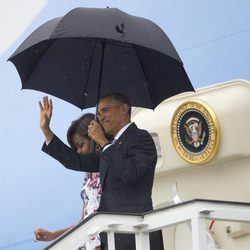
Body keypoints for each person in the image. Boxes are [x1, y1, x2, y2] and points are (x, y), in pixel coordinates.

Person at [39, 93, 164, 250]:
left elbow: (130, 173)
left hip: (137, 236)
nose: (101, 117)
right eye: (99, 113)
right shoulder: (109, 149)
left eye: (105, 110)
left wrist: (104, 143)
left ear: (124, 109)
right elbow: (76, 161)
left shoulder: (141, 138)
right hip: (111, 238)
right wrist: (47, 131)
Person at [34, 113, 102, 250]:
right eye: (75, 149)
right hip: (88, 243)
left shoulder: (109, 165)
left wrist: (47, 131)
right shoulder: (88, 175)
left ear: (93, 138)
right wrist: (53, 235)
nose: (78, 152)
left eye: (81, 145)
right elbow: (84, 221)